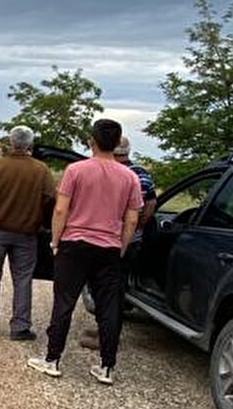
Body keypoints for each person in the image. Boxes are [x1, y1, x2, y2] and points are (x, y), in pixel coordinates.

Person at [27, 117, 143, 384]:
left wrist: (56, 241)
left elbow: (60, 209)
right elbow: (133, 218)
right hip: (109, 248)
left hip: (75, 244)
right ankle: (107, 367)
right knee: (109, 308)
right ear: (117, 144)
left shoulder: (76, 170)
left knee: (64, 302)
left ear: (91, 142)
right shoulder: (130, 177)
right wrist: (121, 246)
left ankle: (52, 359)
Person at [0, 125, 57, 341]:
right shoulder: (41, 170)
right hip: (27, 235)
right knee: (23, 279)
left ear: (10, 143)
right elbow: (50, 201)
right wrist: (44, 225)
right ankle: (20, 327)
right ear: (30, 145)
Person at [79, 136, 156, 350]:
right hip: (130, 241)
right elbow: (150, 202)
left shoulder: (111, 173)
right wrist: (141, 225)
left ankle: (107, 337)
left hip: (109, 238)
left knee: (108, 290)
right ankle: (104, 329)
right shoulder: (140, 173)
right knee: (113, 288)